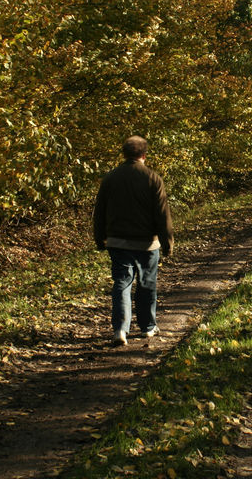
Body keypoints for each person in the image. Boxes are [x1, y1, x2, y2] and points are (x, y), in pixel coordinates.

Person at [93, 136, 174, 346]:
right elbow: (162, 214)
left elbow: (99, 211)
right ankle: (147, 327)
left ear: (124, 154)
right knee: (147, 284)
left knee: (122, 282)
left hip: (118, 242)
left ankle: (120, 328)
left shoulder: (110, 178)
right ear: (144, 155)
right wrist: (167, 243)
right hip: (147, 243)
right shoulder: (153, 178)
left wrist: (99, 237)